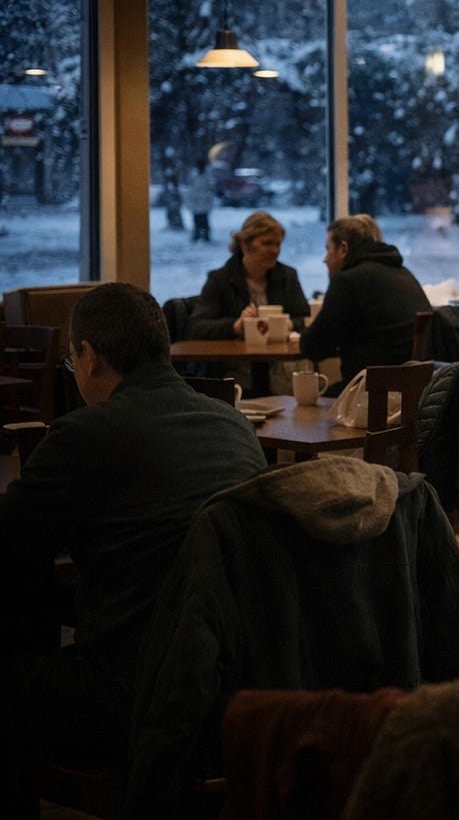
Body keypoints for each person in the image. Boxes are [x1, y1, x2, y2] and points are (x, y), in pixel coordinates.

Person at [0, 282, 267, 816]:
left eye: (74, 358)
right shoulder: (235, 426)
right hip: (232, 685)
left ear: (89, 357)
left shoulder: (84, 434)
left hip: (136, 695)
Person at [299, 213, 431, 395]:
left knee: (309, 403)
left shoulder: (348, 281)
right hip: (415, 393)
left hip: (373, 394)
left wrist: (308, 328)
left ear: (343, 248)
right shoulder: (402, 272)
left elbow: (313, 347)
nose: (325, 259)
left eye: (328, 249)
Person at [189, 210, 311, 339]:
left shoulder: (288, 276)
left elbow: (306, 319)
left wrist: (289, 324)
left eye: (278, 244)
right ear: (245, 244)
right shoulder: (220, 279)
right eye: (267, 243)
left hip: (279, 355)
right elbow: (196, 328)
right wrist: (236, 326)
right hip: (236, 356)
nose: (275, 250)